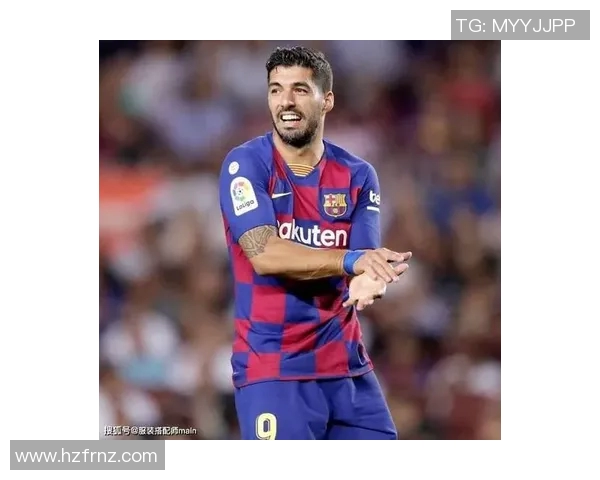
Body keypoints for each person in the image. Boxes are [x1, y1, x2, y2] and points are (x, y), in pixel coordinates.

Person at [218, 46, 411, 440]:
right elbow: (265, 253)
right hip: (276, 370)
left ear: (327, 100)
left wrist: (370, 280)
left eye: (300, 90)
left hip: (348, 369)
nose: (286, 101)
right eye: (276, 90)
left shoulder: (358, 174)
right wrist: (353, 262)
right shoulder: (246, 164)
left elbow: (366, 259)